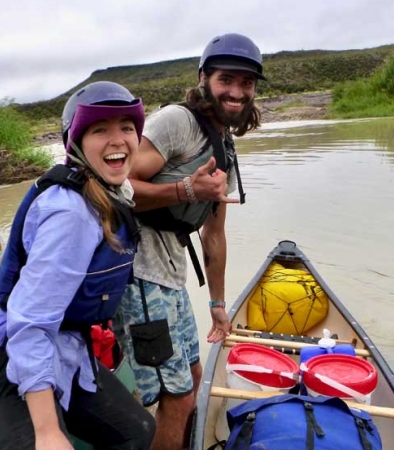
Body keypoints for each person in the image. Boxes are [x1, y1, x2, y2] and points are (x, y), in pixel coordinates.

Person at [0, 81, 155, 450]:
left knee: (137, 431)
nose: (118, 140)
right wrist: (47, 432)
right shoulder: (70, 214)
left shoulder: (113, 195)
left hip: (66, 346)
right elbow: (31, 323)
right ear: (76, 143)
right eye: (100, 130)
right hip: (0, 362)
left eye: (127, 127)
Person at [113, 33, 265, 449]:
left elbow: (214, 232)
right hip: (140, 272)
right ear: (204, 79)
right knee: (176, 396)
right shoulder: (177, 122)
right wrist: (184, 191)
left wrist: (218, 304)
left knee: (194, 377)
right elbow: (116, 184)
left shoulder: (225, 145)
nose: (236, 92)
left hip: (172, 274)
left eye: (246, 83)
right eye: (226, 80)